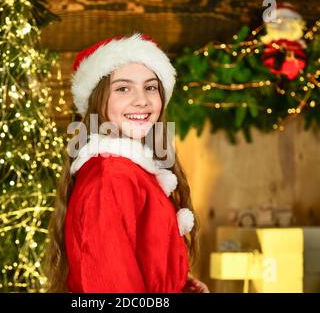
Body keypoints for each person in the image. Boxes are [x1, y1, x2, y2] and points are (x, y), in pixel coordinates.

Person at [45, 33, 208, 293]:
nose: (141, 100)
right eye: (123, 88)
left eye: (150, 87)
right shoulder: (109, 177)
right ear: (99, 100)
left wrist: (180, 286)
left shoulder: (132, 170)